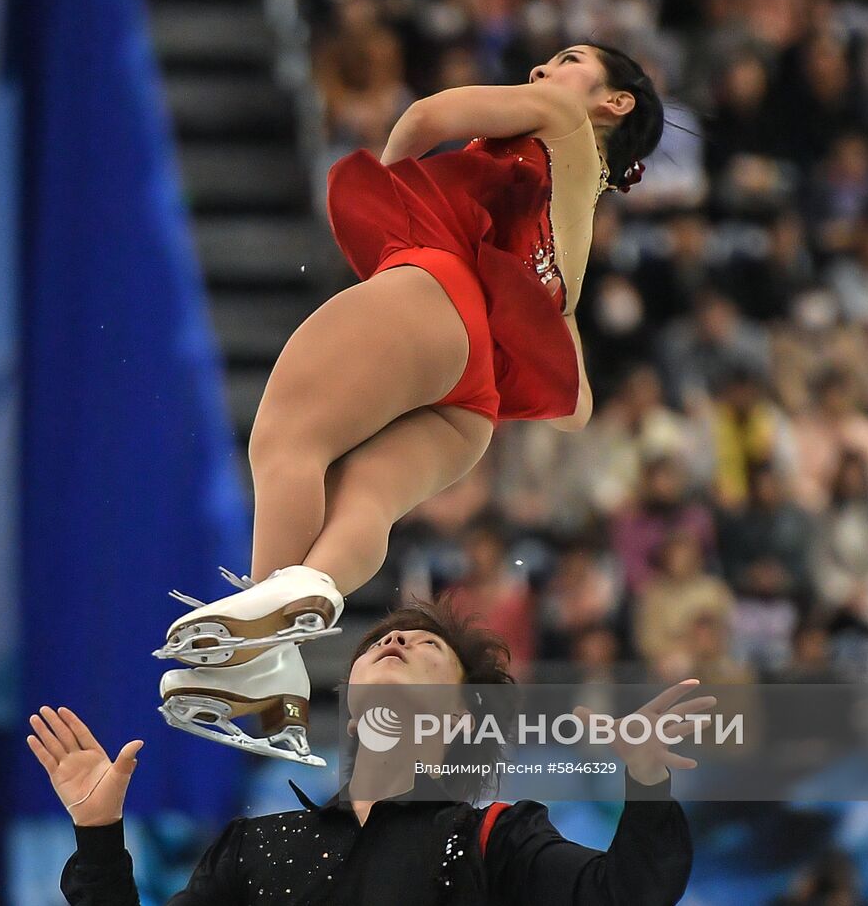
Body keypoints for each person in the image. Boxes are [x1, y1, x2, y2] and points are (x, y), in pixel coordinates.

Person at [152, 44, 666, 764]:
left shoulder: (558, 119)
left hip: (436, 294)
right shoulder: (573, 242)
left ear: (615, 103)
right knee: (360, 499)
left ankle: (258, 666)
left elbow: (425, 117)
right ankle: (276, 643)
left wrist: (398, 212)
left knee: (287, 444)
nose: (545, 72)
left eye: (570, 60)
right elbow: (574, 401)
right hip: (473, 405)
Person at [31, 603, 706, 905]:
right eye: (381, 641)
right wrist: (97, 836)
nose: (396, 641)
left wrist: (646, 779)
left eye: (426, 646)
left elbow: (626, 894)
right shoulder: (253, 846)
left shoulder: (494, 839)